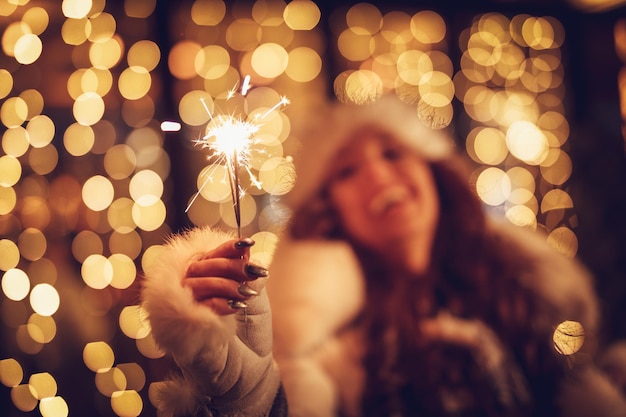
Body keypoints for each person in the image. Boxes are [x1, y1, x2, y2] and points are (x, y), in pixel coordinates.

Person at [140, 95, 626, 417]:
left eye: (393, 154)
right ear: (331, 210)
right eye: (348, 171)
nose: (378, 177)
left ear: (434, 172)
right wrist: (248, 396)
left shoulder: (519, 294)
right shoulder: (321, 346)